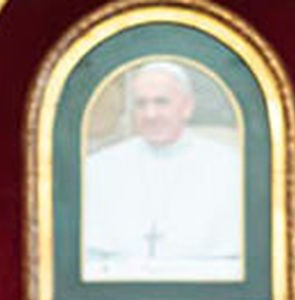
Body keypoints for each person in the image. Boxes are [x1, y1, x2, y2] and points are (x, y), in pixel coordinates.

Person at [82, 61, 244, 281]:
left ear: (187, 106)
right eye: (141, 104)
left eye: (161, 102)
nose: (151, 114)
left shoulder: (229, 167)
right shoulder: (98, 168)